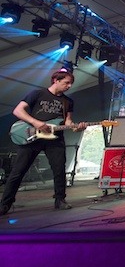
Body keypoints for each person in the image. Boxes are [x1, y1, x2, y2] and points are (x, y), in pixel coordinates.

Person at [0, 68, 87, 215]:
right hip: (32, 137)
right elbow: (18, 111)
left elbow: (68, 122)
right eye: (66, 83)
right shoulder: (37, 94)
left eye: (71, 83)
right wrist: (35, 122)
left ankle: (60, 200)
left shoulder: (68, 102)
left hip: (55, 139)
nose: (69, 86)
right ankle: (5, 204)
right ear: (56, 80)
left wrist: (77, 128)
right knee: (18, 171)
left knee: (59, 170)